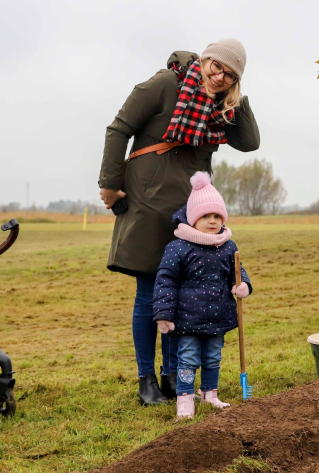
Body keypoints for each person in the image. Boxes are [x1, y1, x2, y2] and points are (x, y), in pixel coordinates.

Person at [96, 40, 260, 406]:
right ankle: (146, 380)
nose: (219, 76)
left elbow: (249, 142)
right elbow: (118, 129)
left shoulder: (221, 106)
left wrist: (237, 96)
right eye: (216, 66)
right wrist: (109, 184)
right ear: (203, 59)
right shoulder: (165, 85)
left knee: (182, 295)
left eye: (229, 74)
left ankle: (173, 376)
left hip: (191, 211)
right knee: (150, 293)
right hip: (147, 205)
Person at [153, 172, 251, 419]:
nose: (212, 221)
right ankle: (185, 399)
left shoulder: (228, 245)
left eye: (217, 216)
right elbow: (165, 280)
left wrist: (243, 286)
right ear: (193, 218)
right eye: (205, 216)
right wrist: (164, 314)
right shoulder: (178, 247)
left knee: (213, 357)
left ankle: (210, 393)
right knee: (187, 358)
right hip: (187, 320)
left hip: (218, 316)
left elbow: (238, 272)